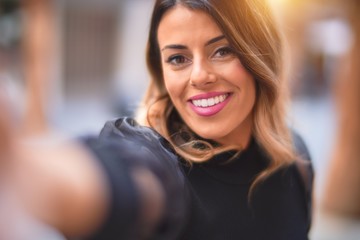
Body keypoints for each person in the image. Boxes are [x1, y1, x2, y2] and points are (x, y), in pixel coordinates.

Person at [101, 0, 314, 239]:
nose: (200, 76)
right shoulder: (156, 166)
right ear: (161, 70)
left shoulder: (296, 160)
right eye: (178, 59)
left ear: (261, 55)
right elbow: (109, 182)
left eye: (223, 51)